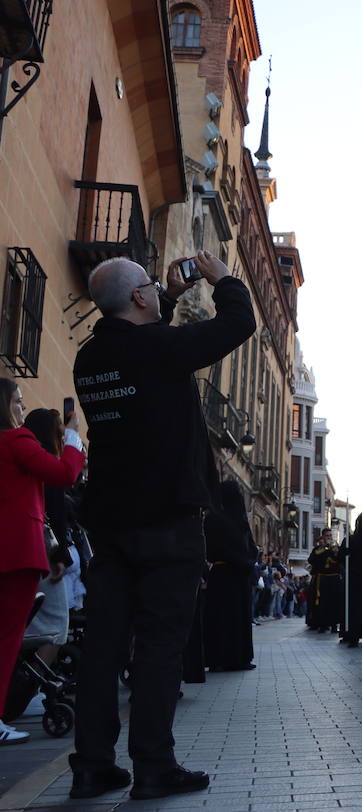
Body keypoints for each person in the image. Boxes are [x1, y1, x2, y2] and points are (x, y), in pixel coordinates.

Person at [68, 251, 254, 801]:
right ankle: (153, 763)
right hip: (167, 523)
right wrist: (222, 278)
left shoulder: (89, 358)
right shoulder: (157, 351)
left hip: (110, 521)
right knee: (159, 645)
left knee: (103, 647)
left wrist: (165, 297)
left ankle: (91, 765)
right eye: (149, 286)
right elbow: (237, 323)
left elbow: (142, 356)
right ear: (140, 298)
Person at [0, 381, 85, 747]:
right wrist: (73, 441)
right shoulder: (17, 442)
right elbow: (64, 474)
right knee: (7, 639)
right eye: (18, 402)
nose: (22, 407)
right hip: (18, 552)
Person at [203, 481, 255, 672]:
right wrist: (246, 563)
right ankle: (238, 658)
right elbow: (250, 548)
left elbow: (209, 549)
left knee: (219, 618)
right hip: (238, 576)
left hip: (221, 574)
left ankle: (217, 658)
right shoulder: (240, 522)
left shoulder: (213, 519)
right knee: (237, 619)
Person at [307, 532, 343, 632]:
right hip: (322, 579)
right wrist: (323, 549)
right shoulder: (319, 549)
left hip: (334, 579)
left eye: (330, 535)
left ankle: (334, 625)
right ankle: (322, 624)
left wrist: (336, 552)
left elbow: (340, 560)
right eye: (327, 535)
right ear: (323, 537)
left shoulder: (336, 548)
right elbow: (311, 560)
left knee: (335, 602)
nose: (329, 537)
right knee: (323, 602)